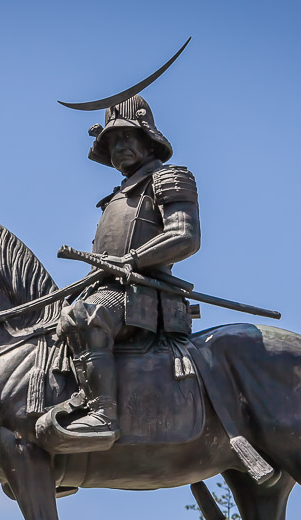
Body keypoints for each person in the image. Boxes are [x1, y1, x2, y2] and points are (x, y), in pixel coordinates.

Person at [55, 94, 201, 446]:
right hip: (107, 289)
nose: (118, 146)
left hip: (143, 291)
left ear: (147, 138)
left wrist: (132, 260)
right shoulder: (118, 195)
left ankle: (103, 414)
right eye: (111, 141)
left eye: (126, 136)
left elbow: (185, 236)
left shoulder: (168, 178)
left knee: (86, 317)